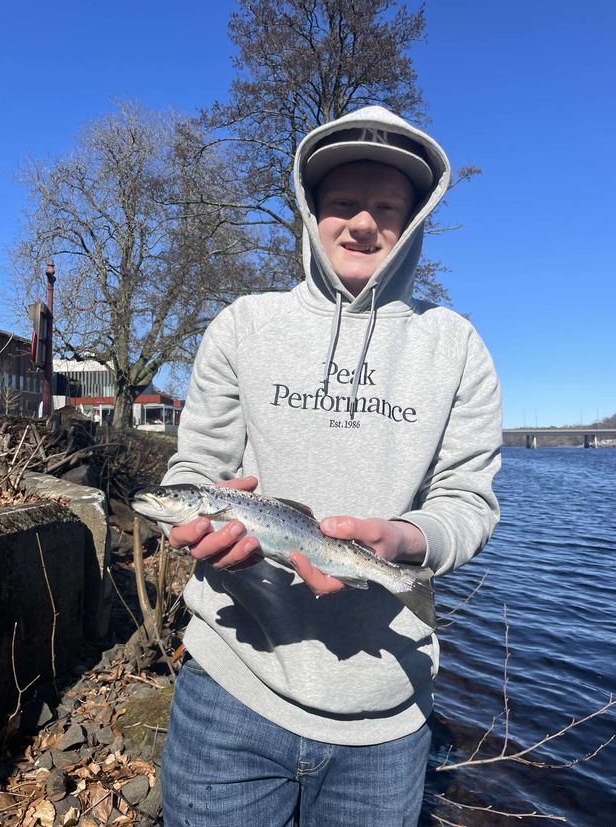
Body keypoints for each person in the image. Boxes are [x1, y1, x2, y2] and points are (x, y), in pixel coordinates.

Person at [160, 105, 502, 826]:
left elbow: (468, 500)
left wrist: (407, 541)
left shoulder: (457, 346)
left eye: (387, 208)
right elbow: (194, 469)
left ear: (413, 222)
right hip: (230, 688)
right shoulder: (242, 325)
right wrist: (189, 520)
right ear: (312, 213)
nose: (362, 223)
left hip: (386, 721)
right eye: (343, 203)